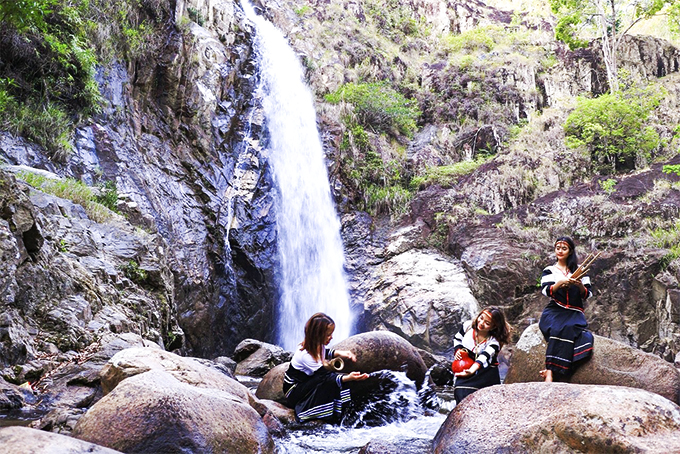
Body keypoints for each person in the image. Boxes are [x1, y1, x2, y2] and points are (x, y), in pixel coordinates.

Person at [283, 312, 369, 423]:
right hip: (294, 390)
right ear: (318, 335)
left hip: (306, 382)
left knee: (333, 380)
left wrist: (340, 353)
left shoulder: (317, 345)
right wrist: (349, 377)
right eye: (328, 335)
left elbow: (324, 352)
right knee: (329, 382)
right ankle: (315, 412)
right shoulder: (305, 355)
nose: (331, 337)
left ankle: (341, 411)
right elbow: (324, 376)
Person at [538, 236, 594, 382]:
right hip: (556, 309)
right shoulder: (549, 270)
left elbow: (587, 294)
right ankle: (549, 371)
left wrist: (579, 284)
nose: (560, 251)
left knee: (568, 327)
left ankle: (556, 369)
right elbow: (546, 291)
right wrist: (561, 282)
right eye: (558, 248)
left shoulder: (580, 270)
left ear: (570, 251)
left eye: (564, 248)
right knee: (557, 327)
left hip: (574, 311)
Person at [452, 306, 511, 404]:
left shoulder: (493, 342)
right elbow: (457, 338)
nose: (481, 323)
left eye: (487, 323)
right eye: (481, 318)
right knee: (460, 391)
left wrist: (471, 370)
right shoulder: (467, 326)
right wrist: (458, 350)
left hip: (486, 372)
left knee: (485, 401)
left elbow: (484, 357)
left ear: (494, 327)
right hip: (466, 365)